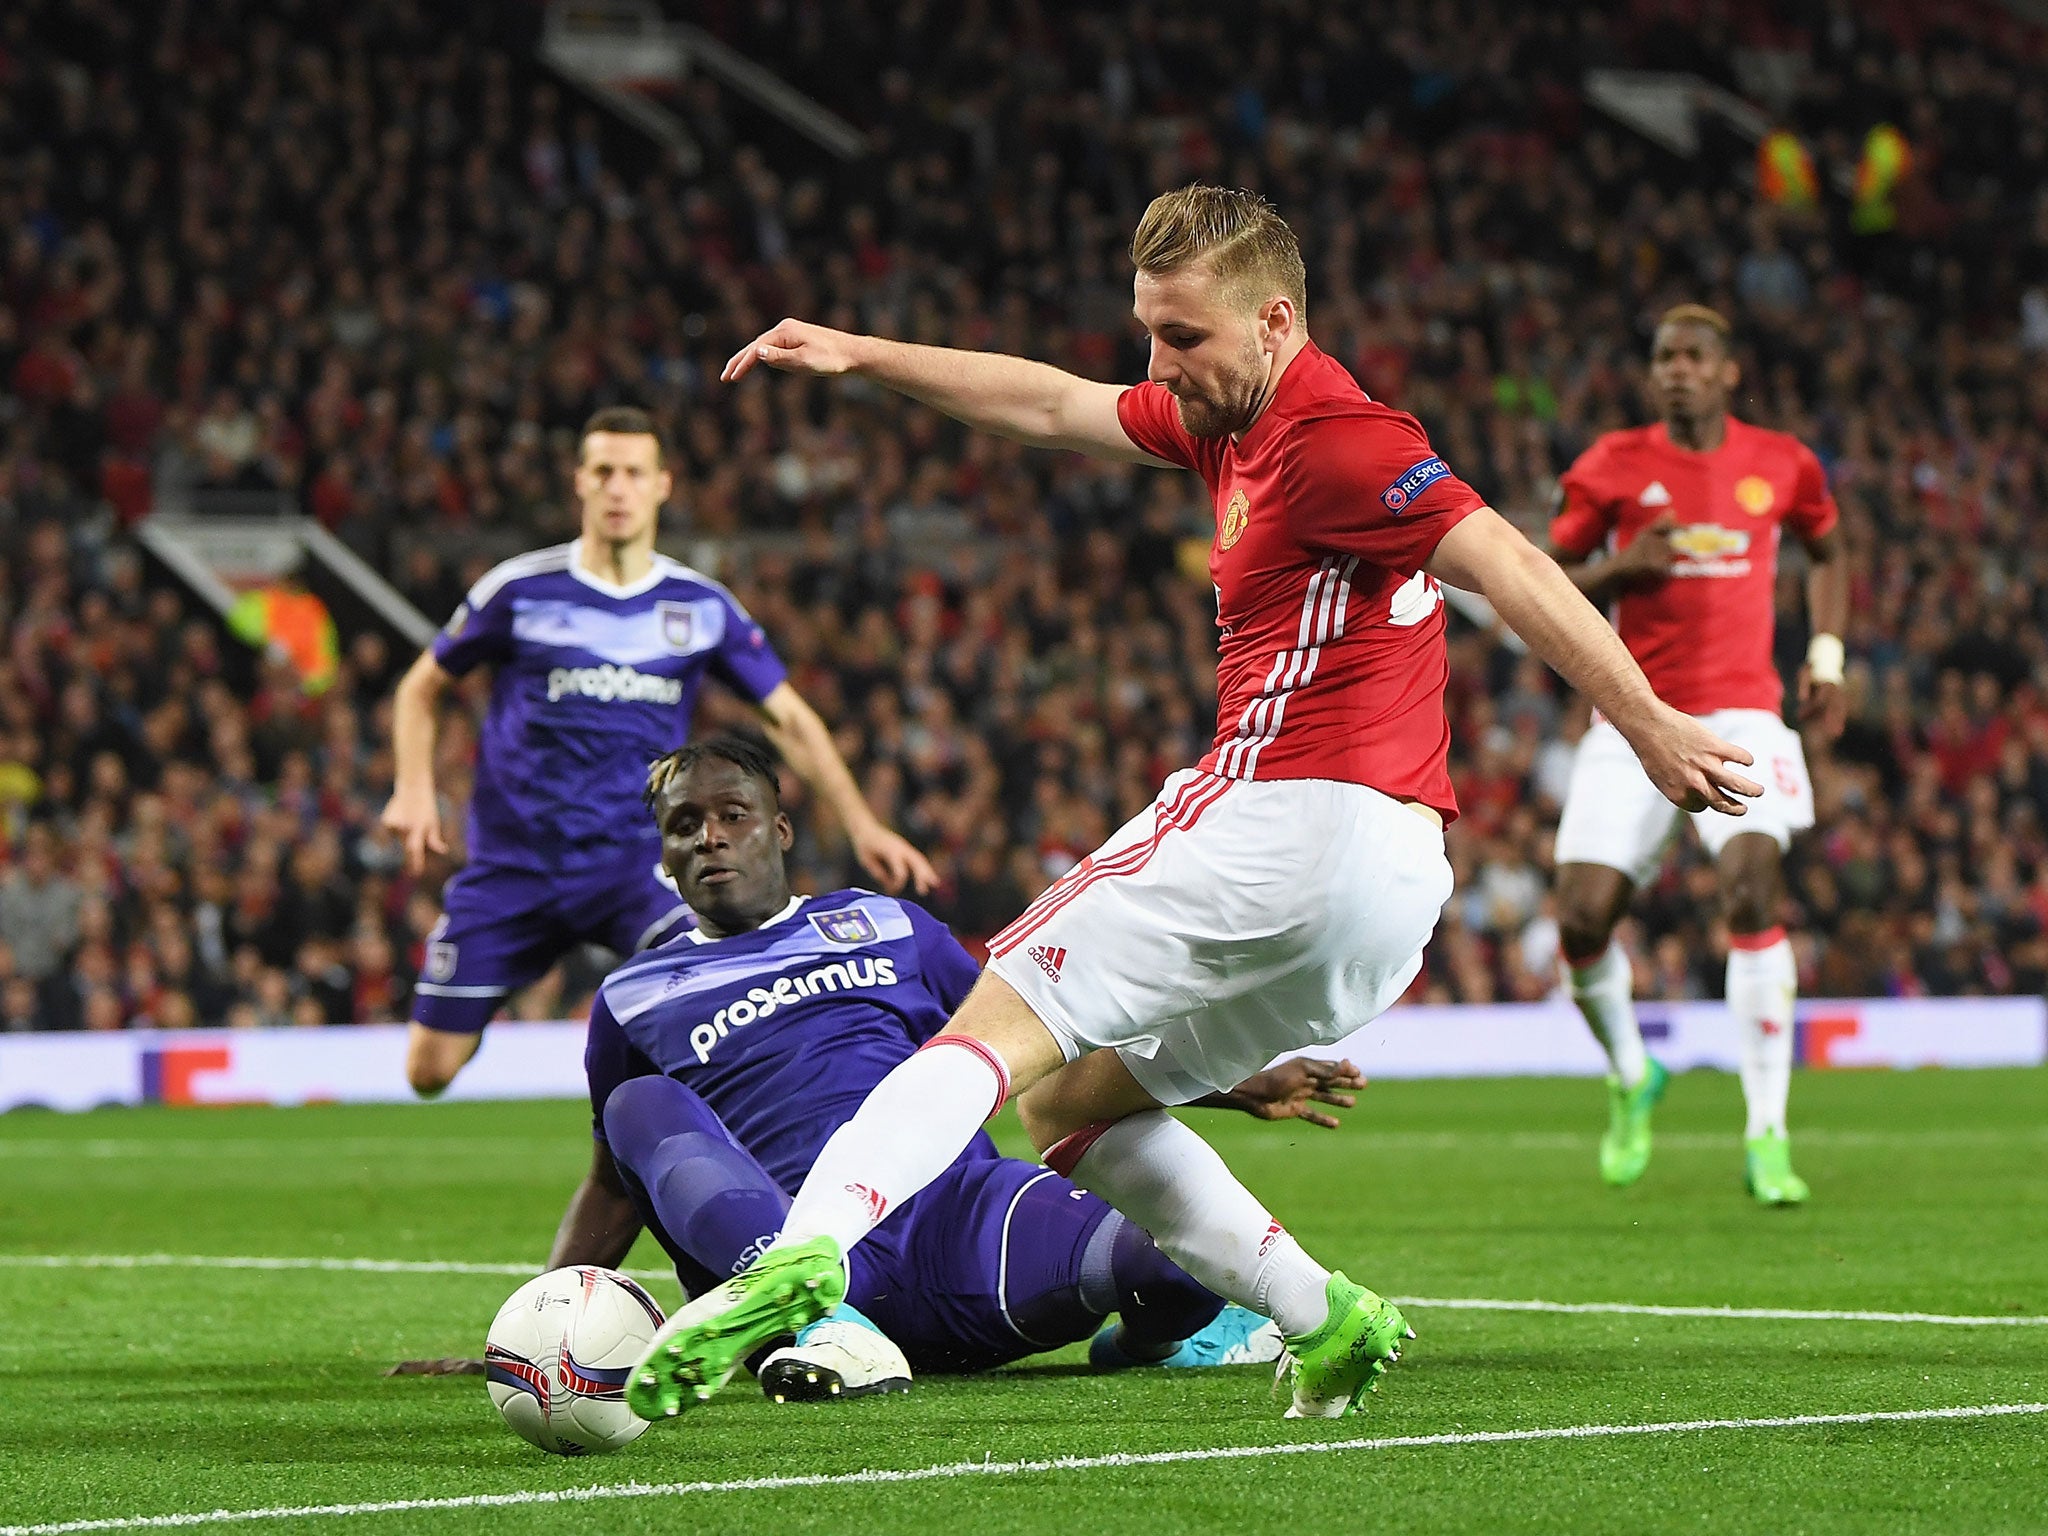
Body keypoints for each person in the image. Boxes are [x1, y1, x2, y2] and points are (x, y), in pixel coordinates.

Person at [632, 185, 1759, 1422]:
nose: (1157, 364)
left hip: (1285, 812)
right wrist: (858, 352)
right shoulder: (1228, 420)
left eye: (1184, 338)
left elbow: (1504, 559)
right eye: (1148, 332)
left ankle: (809, 1254)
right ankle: (1323, 1320)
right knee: (1070, 1101)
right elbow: (1052, 405)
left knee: (992, 1022)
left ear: (1275, 321)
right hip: (1387, 898)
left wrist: (1644, 720)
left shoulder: (1341, 439)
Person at [586, 735, 1366, 1403]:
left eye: (732, 815)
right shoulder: (633, 995)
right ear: (663, 854)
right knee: (637, 1104)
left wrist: (1232, 1084)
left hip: (964, 1226)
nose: (709, 838)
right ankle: (821, 1324)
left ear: (781, 830)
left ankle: (1156, 1341)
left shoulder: (886, 924)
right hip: (796, 1237)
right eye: (684, 825)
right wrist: (553, 1311)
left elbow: (1047, 1034)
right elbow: (617, 1182)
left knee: (1178, 1259)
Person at [379, 405, 934, 1270]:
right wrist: (415, 788)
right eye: (602, 471)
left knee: (710, 1018)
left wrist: (862, 821)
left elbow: (789, 716)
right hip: (513, 871)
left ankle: (754, 1212)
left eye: (635, 472)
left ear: (664, 486)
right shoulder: (519, 591)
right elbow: (421, 686)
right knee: (428, 1069)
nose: (618, 488)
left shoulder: (697, 606)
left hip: (638, 872)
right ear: (579, 482)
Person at [1548, 304, 1847, 1204]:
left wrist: (1827, 655)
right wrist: (1615, 571)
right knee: (1581, 921)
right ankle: (1633, 1073)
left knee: (1753, 888)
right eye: (1663, 357)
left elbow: (1830, 552)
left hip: (1746, 715)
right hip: (1635, 713)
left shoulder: (1782, 463)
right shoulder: (1610, 465)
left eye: (1692, 357)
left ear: (1727, 373)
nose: (1675, 369)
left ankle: (1767, 1133)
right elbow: (1536, 576)